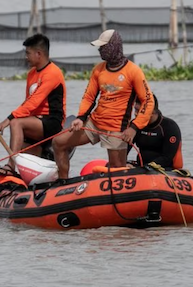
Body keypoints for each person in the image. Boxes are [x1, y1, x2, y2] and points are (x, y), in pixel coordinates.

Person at [52, 29, 154, 179]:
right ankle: (62, 185)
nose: (100, 50)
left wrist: (134, 128)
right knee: (58, 143)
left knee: (116, 171)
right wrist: (80, 118)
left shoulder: (133, 71)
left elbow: (148, 101)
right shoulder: (98, 69)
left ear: (114, 46)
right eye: (99, 47)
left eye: (103, 47)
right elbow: (89, 97)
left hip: (117, 128)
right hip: (94, 122)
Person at [0, 34, 66, 176]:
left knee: (16, 123)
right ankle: (22, 167)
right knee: (24, 161)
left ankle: (11, 165)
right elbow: (27, 102)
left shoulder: (53, 73)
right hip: (35, 122)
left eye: (28, 53)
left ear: (39, 54)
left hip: (52, 122)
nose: (25, 57)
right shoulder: (32, 73)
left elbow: (34, 102)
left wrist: (7, 120)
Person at [130, 95, 184, 169]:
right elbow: (125, 149)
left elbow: (167, 157)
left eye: (138, 111)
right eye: (135, 110)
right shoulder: (134, 126)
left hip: (164, 168)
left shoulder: (169, 126)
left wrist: (147, 167)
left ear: (151, 112)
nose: (135, 114)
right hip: (141, 167)